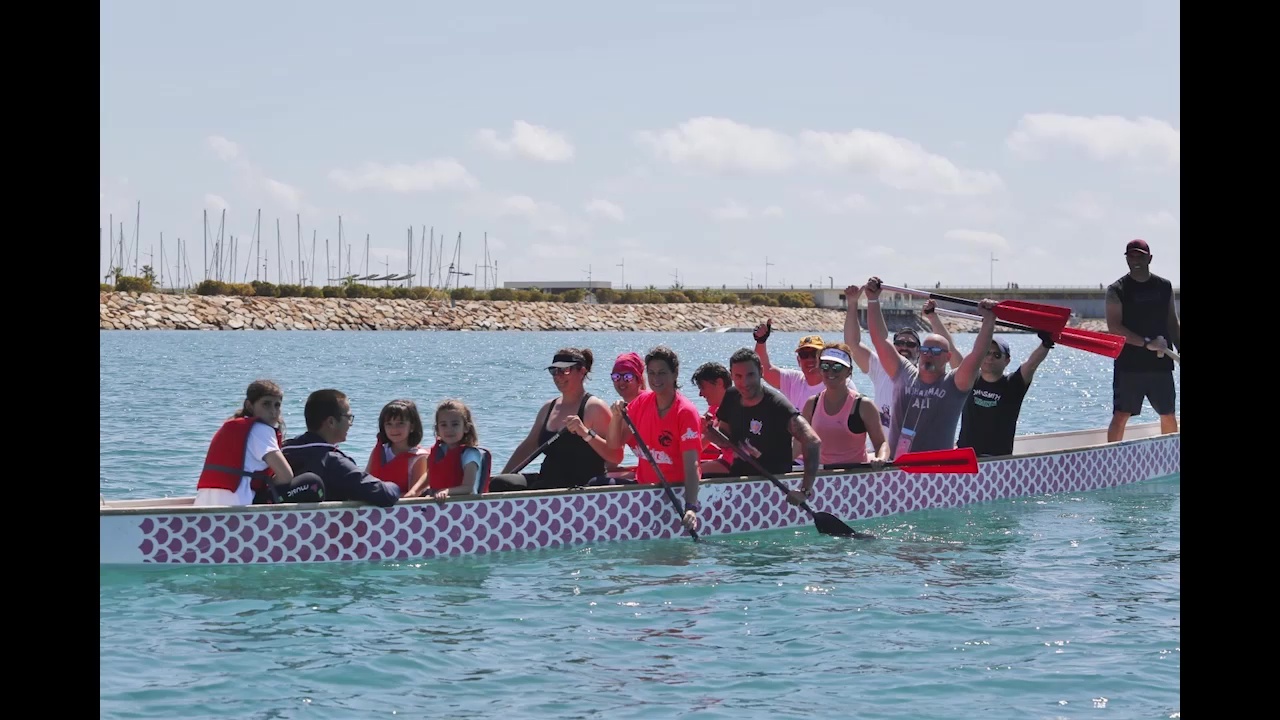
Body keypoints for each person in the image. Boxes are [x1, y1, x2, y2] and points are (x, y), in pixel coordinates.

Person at [864, 276, 995, 458]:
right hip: (897, 469)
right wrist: (872, 300)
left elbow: (977, 355)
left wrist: (989, 321)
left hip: (936, 472)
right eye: (925, 349)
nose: (928, 354)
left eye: (935, 350)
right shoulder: (904, 373)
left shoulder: (954, 383)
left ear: (947, 358)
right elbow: (879, 340)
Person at [703, 348, 822, 507]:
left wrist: (805, 490)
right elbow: (726, 439)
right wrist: (710, 432)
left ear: (761, 371)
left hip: (775, 485)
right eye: (738, 376)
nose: (744, 383)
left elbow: (812, 441)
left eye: (750, 375)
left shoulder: (777, 405)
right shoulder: (731, 396)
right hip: (740, 479)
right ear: (731, 375)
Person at [843, 284, 960, 443]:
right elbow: (852, 344)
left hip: (916, 453)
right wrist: (852, 304)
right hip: (883, 454)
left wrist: (933, 318)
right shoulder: (880, 366)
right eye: (899, 342)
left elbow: (952, 357)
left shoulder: (931, 375)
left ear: (921, 352)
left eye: (911, 345)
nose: (904, 347)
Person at [488, 347, 616, 491]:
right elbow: (528, 446)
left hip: (579, 486)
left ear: (582, 371)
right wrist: (502, 475)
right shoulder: (548, 408)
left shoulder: (595, 407)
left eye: (565, 370)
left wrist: (586, 433)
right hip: (547, 480)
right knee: (501, 483)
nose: (558, 376)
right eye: (554, 371)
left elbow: (616, 456)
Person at [605, 346, 702, 532]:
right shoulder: (641, 403)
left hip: (675, 491)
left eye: (662, 373)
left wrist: (691, 507)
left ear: (675, 374)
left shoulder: (686, 412)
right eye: (652, 373)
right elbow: (613, 444)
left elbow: (692, 465)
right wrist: (616, 417)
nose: (656, 379)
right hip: (646, 491)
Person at [1105, 238, 1180, 441]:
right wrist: (1148, 343)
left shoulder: (1164, 286)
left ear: (1150, 258)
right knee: (1121, 414)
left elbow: (1172, 323)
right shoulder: (1117, 289)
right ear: (1127, 259)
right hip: (1129, 364)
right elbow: (1115, 327)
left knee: (1168, 413)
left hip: (1161, 362)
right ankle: (1111, 461)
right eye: (1132, 256)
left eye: (1141, 256)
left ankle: (1172, 459)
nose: (1136, 260)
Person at [281, 388, 402, 507]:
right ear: (331, 422)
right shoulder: (332, 461)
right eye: (348, 417)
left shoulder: (285, 450)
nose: (350, 423)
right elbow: (384, 494)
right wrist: (396, 487)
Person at [194, 379, 297, 506]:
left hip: (203, 504)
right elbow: (286, 475)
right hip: (240, 508)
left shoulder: (230, 427)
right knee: (311, 482)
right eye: (266, 404)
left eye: (277, 405)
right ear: (249, 406)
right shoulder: (261, 429)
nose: (273, 411)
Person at [956, 334, 1053, 457]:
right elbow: (951, 351)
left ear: (1006, 361)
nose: (990, 358)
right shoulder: (970, 379)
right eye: (986, 353)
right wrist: (932, 317)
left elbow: (1032, 363)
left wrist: (1046, 343)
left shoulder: (1013, 384)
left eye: (996, 355)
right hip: (966, 455)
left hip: (998, 460)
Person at [796, 343, 890, 468]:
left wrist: (881, 459)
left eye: (837, 367)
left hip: (855, 476)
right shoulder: (811, 404)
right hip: (822, 477)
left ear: (849, 371)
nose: (830, 372)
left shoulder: (864, 405)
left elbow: (881, 443)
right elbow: (797, 446)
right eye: (825, 366)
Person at [752, 319, 857, 411]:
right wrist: (761, 341)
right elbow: (764, 369)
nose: (810, 359)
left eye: (814, 354)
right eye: (804, 355)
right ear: (798, 360)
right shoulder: (793, 381)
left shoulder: (841, 383)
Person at [410, 398, 489, 501]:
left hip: (463, 504)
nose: (449, 429)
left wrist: (446, 491)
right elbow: (430, 474)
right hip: (439, 501)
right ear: (437, 430)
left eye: (455, 424)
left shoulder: (470, 455)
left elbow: (468, 487)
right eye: (443, 425)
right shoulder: (439, 451)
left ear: (466, 428)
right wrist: (413, 492)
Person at [365, 399, 429, 496]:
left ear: (412, 427)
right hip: (375, 504)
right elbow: (365, 479)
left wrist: (383, 497)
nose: (394, 429)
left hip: (402, 507)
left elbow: (415, 494)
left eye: (400, 423)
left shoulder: (419, 457)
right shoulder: (380, 450)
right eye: (389, 424)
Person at [691, 361, 735, 476]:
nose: (700, 394)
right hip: (725, 460)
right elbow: (698, 438)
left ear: (719, 383)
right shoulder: (714, 408)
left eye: (703, 387)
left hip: (738, 465)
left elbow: (703, 441)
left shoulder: (735, 406)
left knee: (689, 474)